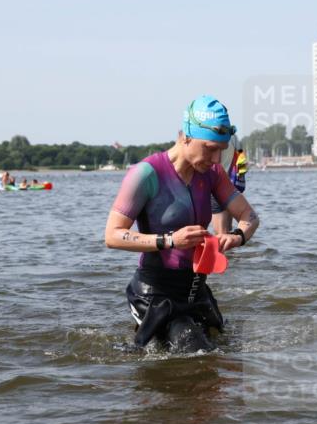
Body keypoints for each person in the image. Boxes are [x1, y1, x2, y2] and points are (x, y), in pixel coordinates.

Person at [104, 95, 260, 350]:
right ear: (186, 136)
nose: (216, 158)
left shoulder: (212, 174)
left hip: (195, 289)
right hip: (154, 292)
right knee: (195, 348)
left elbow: (250, 217)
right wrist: (169, 240)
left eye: (222, 150)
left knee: (228, 347)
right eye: (210, 148)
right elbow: (112, 235)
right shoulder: (146, 174)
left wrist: (237, 236)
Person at [212, 134, 248, 235]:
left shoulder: (210, 134)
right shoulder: (233, 136)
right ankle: (232, 250)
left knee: (220, 233)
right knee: (227, 229)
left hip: (217, 184)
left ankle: (224, 250)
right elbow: (242, 158)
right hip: (231, 186)